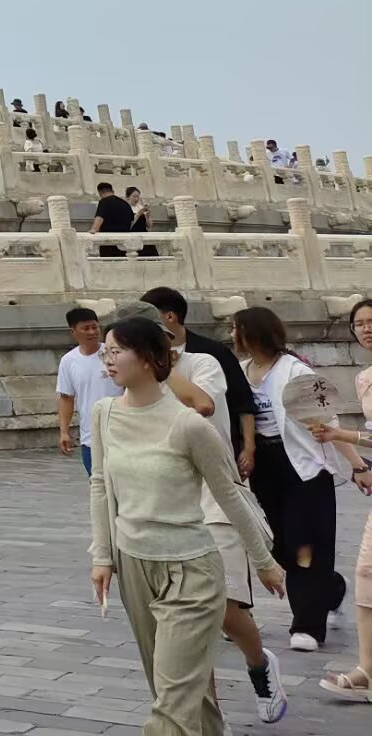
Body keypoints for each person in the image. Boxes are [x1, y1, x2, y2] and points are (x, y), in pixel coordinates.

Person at [89, 316, 285, 736]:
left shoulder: (189, 424)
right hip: (134, 565)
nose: (107, 360)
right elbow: (100, 486)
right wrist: (102, 555)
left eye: (116, 351)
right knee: (182, 694)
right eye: (105, 351)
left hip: (190, 570)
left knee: (172, 704)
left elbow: (230, 494)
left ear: (148, 359)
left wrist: (264, 562)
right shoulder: (103, 414)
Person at [162, 308, 289, 720]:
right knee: (188, 620)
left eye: (121, 348)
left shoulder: (204, 362)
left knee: (225, 605)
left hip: (215, 497)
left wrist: (161, 369)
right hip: (167, 507)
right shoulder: (121, 394)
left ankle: (259, 663)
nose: (111, 359)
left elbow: (202, 403)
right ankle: (207, 718)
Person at [233, 304, 364, 650]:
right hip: (264, 466)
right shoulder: (241, 372)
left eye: (237, 329)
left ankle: (307, 627)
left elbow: (328, 422)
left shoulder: (295, 370)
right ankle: (331, 589)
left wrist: (357, 465)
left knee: (308, 543)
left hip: (304, 466)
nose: (233, 335)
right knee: (281, 545)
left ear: (254, 333)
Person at [312, 298, 372, 698]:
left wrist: (341, 435)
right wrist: (360, 464)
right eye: (359, 323)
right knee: (366, 572)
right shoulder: (364, 379)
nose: (366, 329)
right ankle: (367, 669)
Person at [140, 285, 259, 477]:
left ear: (170, 316)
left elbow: (242, 402)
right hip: (169, 458)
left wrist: (248, 448)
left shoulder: (212, 353)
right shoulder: (143, 359)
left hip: (214, 451)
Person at [56, 305, 121, 476]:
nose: (92, 332)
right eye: (85, 328)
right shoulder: (68, 361)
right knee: (97, 483)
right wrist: (64, 432)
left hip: (121, 432)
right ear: (73, 332)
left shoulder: (114, 353)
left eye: (95, 327)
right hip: (90, 437)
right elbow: (66, 398)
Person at [90, 181, 135, 257]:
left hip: (109, 243)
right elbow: (131, 221)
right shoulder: (125, 204)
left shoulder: (104, 202)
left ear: (100, 193)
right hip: (125, 243)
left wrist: (93, 229)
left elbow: (99, 220)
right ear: (112, 191)